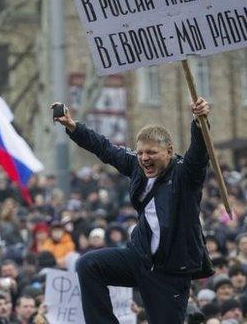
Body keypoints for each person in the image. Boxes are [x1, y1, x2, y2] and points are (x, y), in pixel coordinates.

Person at [51, 98, 214, 323]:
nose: (144, 158)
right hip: (140, 258)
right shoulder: (136, 167)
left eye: (151, 153)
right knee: (88, 265)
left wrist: (199, 122)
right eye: (140, 153)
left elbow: (199, 154)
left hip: (171, 272)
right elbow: (104, 148)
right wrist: (72, 126)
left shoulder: (185, 176)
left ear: (169, 151)